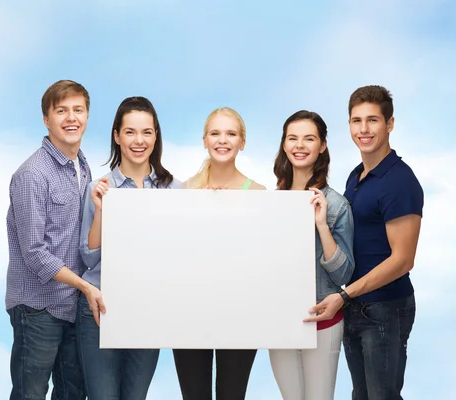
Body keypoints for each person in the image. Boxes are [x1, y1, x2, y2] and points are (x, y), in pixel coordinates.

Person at [305, 85, 424, 400]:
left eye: (373, 120)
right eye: (356, 121)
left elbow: (403, 260)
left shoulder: (399, 181)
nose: (364, 129)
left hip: (385, 307)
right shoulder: (356, 176)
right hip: (355, 306)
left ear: (390, 124)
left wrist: (344, 295)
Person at [77, 96, 182, 400]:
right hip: (100, 309)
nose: (139, 140)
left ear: (156, 136)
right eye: (131, 132)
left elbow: (181, 253)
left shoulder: (174, 189)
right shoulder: (99, 188)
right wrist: (101, 209)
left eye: (147, 132)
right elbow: (89, 257)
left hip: (148, 309)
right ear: (117, 136)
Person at [5, 79, 105, 400]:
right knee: (30, 395)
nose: (71, 118)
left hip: (74, 307)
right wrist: (87, 286)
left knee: (73, 394)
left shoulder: (83, 166)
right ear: (46, 119)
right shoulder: (32, 175)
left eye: (78, 110)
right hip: (38, 307)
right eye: (61, 111)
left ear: (88, 116)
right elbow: (34, 252)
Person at [173, 107, 264, 400]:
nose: (222, 140)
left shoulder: (260, 195)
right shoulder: (184, 193)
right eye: (215, 133)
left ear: (242, 142)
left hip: (240, 314)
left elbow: (263, 261)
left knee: (231, 395)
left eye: (231, 133)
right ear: (204, 140)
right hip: (190, 313)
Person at [268, 110, 355, 400]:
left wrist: (321, 225)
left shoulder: (337, 205)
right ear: (284, 145)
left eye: (309, 138)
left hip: (323, 320)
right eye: (292, 138)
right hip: (280, 319)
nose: (299, 145)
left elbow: (344, 275)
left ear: (322, 145)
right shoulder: (271, 202)